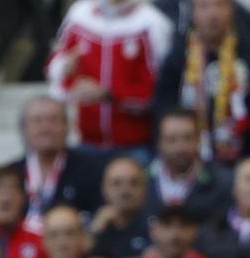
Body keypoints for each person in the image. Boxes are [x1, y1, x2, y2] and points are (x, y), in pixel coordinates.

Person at [48, 0, 174, 152]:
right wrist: (64, 72)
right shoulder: (79, 15)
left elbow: (159, 91)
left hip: (135, 145)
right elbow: (57, 67)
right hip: (87, 141)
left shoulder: (153, 23)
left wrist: (110, 95)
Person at [151, 0, 250, 165]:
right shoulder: (178, 55)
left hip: (241, 154)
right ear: (193, 13)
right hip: (189, 156)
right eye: (204, 7)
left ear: (232, 10)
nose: (212, 14)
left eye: (219, 5)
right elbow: (164, 107)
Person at [5, 94, 105, 220]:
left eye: (53, 120)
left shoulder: (91, 170)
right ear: (24, 129)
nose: (45, 128)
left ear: (67, 127)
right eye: (37, 121)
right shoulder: (10, 173)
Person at [145, 107, 231, 224]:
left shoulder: (222, 182)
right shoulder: (141, 180)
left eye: (188, 138)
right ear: (159, 143)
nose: (181, 147)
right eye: (172, 139)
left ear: (198, 140)